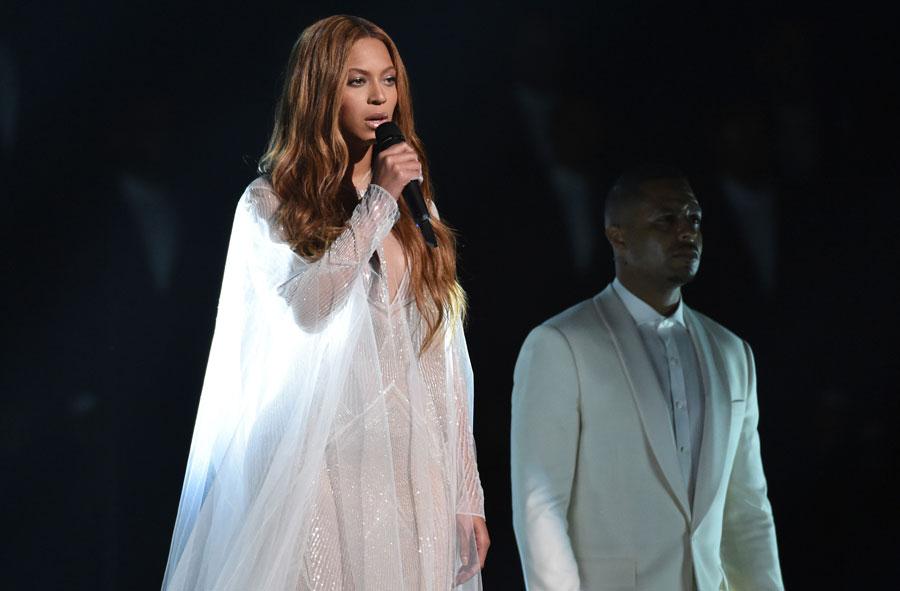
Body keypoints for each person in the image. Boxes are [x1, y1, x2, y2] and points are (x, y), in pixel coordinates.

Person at [162, 15, 488, 591]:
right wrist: (377, 203)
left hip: (414, 470)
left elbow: (443, 360)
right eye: (357, 80)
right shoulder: (271, 203)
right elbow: (309, 310)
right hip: (321, 470)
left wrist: (468, 493)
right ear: (320, 91)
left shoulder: (419, 211)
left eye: (388, 79)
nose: (379, 95)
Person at [510, 166, 783, 590]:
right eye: (666, 220)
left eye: (693, 219)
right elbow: (540, 506)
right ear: (618, 236)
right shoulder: (561, 345)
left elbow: (747, 510)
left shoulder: (732, 353)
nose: (686, 232)